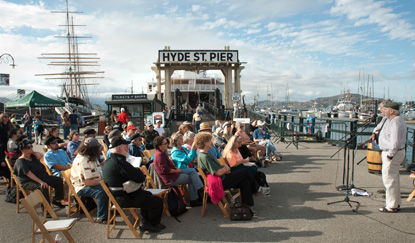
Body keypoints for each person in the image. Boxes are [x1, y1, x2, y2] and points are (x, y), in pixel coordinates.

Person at [103, 137, 165, 233]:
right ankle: (151, 224)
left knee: (147, 194)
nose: (128, 148)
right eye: (126, 146)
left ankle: (146, 222)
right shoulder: (120, 162)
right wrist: (137, 172)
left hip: (117, 197)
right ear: (119, 149)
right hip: (125, 198)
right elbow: (140, 178)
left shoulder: (109, 160)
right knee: (157, 201)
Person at [195, 132, 256, 207]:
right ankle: (256, 188)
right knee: (246, 172)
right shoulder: (205, 157)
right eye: (210, 141)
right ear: (205, 143)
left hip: (220, 179)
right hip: (220, 181)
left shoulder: (204, 155)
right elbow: (219, 173)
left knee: (245, 182)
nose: (211, 142)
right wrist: (226, 168)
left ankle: (247, 206)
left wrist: (224, 167)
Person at [153, 136, 203, 207]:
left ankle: (200, 190)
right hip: (170, 178)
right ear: (159, 146)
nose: (167, 144)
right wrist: (176, 171)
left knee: (192, 171)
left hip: (174, 173)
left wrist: (176, 170)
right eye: (165, 143)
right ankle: (196, 197)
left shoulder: (162, 153)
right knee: (192, 177)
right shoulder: (159, 155)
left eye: (167, 142)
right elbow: (165, 170)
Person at [13, 140, 65, 208]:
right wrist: (41, 182)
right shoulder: (21, 161)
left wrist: (32, 152)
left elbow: (41, 155)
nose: (31, 148)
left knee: (58, 180)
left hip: (41, 177)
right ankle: (46, 209)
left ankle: (57, 200)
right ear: (22, 150)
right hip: (28, 181)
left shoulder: (32, 157)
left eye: (31, 146)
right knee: (43, 187)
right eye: (28, 147)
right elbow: (29, 174)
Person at [377, 102, 407, 213]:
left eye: (385, 109)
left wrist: (390, 155)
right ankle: (396, 202)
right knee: (394, 179)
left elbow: (394, 141)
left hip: (392, 153)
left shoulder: (395, 122)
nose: (383, 111)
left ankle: (391, 206)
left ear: (391, 111)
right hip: (395, 152)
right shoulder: (397, 120)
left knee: (389, 180)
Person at [71, 137, 108, 223]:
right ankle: (102, 217)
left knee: (111, 185)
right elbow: (86, 182)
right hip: (82, 186)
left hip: (95, 182)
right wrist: (103, 182)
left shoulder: (91, 156)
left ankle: (111, 209)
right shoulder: (82, 160)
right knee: (102, 191)